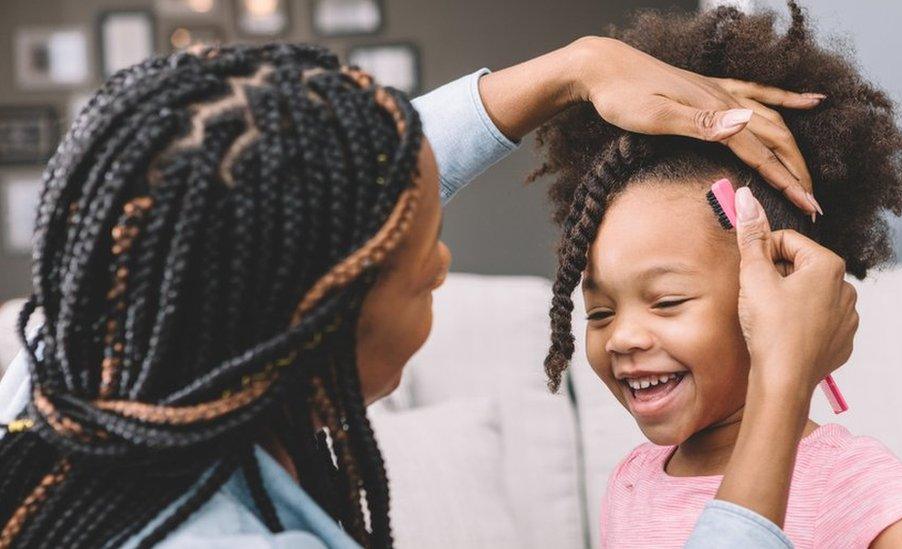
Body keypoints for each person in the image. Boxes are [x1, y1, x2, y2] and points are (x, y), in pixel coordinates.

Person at [0, 34, 843, 548]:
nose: (442, 264)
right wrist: (779, 382)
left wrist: (576, 70)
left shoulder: (65, 387)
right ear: (315, 320)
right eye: (418, 270)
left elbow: (318, 185)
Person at [533, 4, 902, 547]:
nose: (623, 338)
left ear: (775, 286)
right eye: (600, 313)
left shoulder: (848, 480)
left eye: (666, 301)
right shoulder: (632, 479)